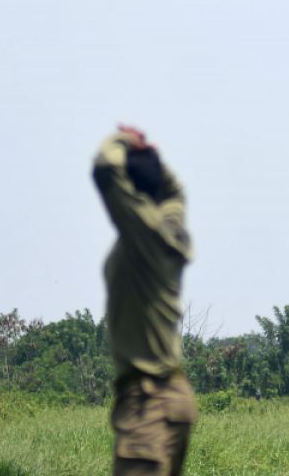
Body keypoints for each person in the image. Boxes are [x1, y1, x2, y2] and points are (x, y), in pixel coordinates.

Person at [92, 126, 198, 476]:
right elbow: (175, 191)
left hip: (147, 402)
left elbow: (105, 169)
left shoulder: (144, 237)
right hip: (175, 397)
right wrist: (152, 157)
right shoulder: (172, 229)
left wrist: (122, 140)